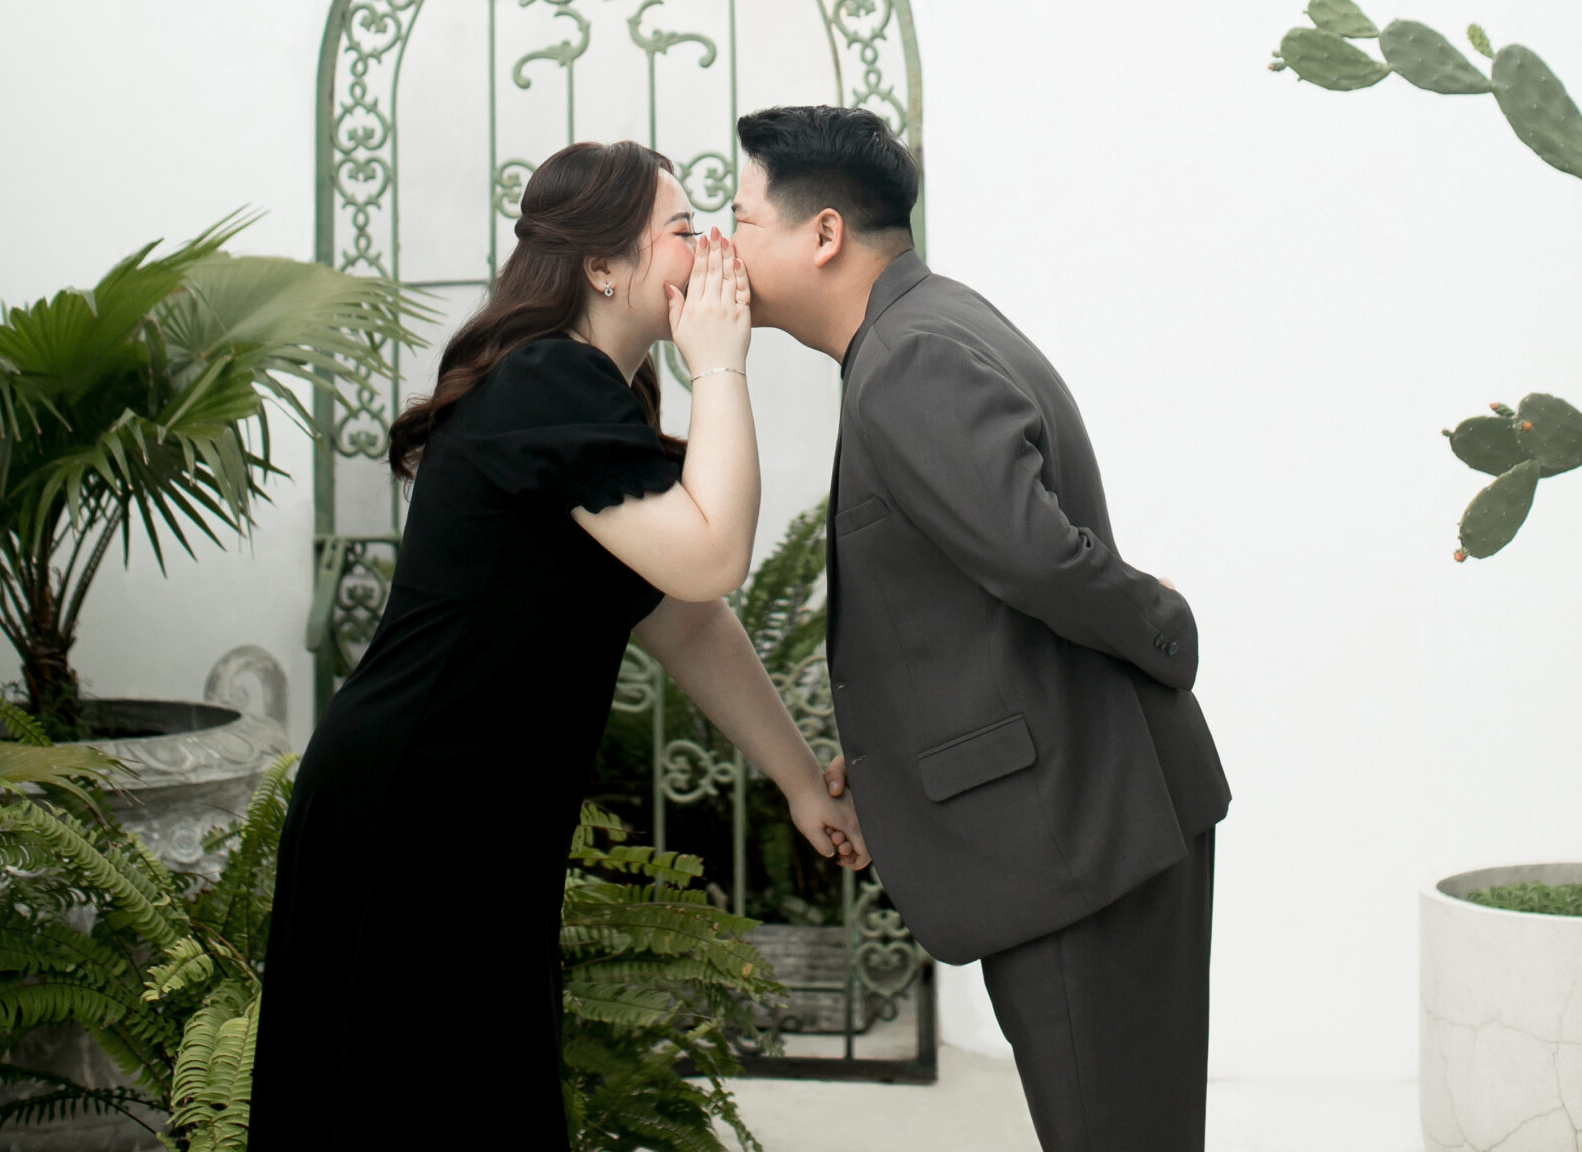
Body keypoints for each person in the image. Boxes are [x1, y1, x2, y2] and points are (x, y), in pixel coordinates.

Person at [247, 137, 867, 1152]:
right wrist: (719, 363)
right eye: (683, 228)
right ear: (603, 265)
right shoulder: (545, 381)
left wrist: (801, 780)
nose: (709, 247)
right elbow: (715, 558)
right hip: (416, 803)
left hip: (478, 814)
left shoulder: (591, 394)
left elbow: (684, 614)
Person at [730, 104, 1229, 1152]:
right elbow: (965, 607)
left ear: (823, 233)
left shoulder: (910, 357)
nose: (723, 248)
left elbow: (1034, 556)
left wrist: (1165, 624)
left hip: (1079, 833)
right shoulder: (922, 327)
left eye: (739, 218)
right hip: (1086, 817)